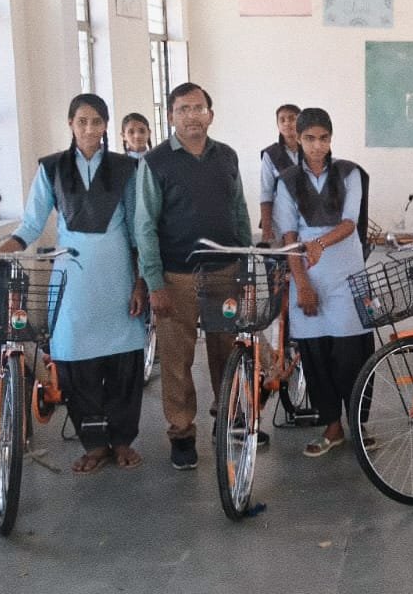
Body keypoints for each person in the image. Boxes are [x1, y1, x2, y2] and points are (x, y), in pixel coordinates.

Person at [0, 94, 148, 472]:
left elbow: (138, 231)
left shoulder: (126, 168)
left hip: (118, 277)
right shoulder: (51, 168)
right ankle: (94, 444)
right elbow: (30, 226)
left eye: (97, 122)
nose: (89, 129)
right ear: (70, 124)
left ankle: (122, 441)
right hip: (73, 281)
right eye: (82, 121)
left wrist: (141, 282)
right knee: (76, 362)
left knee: (124, 363)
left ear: (106, 126)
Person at [134, 82, 254, 470]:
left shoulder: (226, 156)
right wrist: (155, 283)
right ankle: (182, 433)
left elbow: (239, 211)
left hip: (225, 270)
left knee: (227, 349)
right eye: (183, 109)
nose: (192, 116)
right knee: (176, 359)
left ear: (210, 115)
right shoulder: (155, 162)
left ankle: (229, 416)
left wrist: (247, 263)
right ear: (171, 117)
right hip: (177, 276)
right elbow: (144, 226)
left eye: (198, 108)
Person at [270, 108, 374, 457]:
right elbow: (289, 236)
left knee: (352, 353)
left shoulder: (349, 173)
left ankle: (358, 423)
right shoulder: (287, 180)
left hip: (347, 272)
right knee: (315, 355)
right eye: (310, 138)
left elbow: (349, 223)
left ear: (331, 139)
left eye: (323, 138)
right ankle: (332, 426)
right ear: (298, 139)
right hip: (308, 275)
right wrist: (302, 284)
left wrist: (318, 244)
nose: (317, 145)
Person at [259, 104, 301, 242]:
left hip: (309, 218)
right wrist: (266, 229)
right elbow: (266, 192)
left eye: (292, 118)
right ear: (278, 125)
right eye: (282, 120)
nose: (287, 123)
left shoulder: (312, 151)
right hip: (280, 220)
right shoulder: (271, 154)